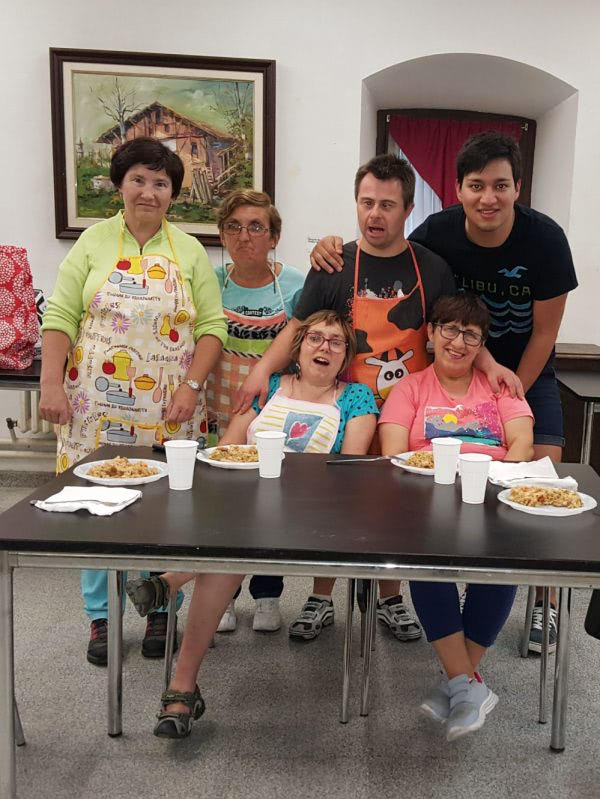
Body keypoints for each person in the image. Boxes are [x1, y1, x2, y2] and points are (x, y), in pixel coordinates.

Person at [309, 132, 578, 652]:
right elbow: (384, 245)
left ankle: (543, 602)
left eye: (501, 185)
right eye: (476, 185)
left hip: (525, 368)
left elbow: (545, 332)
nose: (488, 197)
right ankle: (411, 583)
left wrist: (510, 389)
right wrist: (328, 245)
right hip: (451, 365)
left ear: (518, 188)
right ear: (458, 189)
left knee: (542, 472)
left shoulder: (545, 239)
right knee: (405, 483)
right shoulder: (439, 232)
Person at [236, 154, 495, 642]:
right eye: (367, 202)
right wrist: (259, 372)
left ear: (407, 209)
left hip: (408, 409)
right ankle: (320, 597)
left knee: (397, 507)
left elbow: (456, 328)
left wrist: (492, 365)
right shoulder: (335, 264)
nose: (375, 214)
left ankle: (390, 597)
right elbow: (297, 326)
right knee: (341, 504)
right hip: (348, 406)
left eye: (388, 205)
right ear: (356, 203)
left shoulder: (432, 268)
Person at [125, 310, 378, 737]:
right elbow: (226, 451)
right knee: (229, 552)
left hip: (317, 509)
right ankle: (180, 688)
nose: (325, 348)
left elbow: (348, 469)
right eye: (315, 338)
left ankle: (171, 585)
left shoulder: (356, 399)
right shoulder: (270, 389)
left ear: (346, 356)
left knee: (227, 551)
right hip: (246, 506)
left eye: (337, 343)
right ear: (298, 349)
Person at [39, 137, 227, 666]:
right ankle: (101, 617)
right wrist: (51, 384)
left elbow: (212, 327)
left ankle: (161, 604)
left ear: (172, 194)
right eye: (139, 180)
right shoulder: (93, 243)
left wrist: (191, 387)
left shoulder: (188, 250)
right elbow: (60, 316)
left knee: (167, 508)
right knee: (94, 509)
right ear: (120, 185)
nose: (149, 192)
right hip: (93, 410)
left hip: (168, 409)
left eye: (161, 183)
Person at [379, 293, 534, 740]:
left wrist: (491, 483)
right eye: (449, 329)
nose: (459, 342)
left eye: (471, 335)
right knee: (428, 563)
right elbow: (393, 450)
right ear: (430, 334)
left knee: (501, 566)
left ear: (481, 343)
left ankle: (459, 683)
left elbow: (521, 443)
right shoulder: (409, 387)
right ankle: (466, 686)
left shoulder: (500, 387)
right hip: (425, 500)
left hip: (491, 497)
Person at [208, 189, 305, 634]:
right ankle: (221, 596)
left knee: (270, 506)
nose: (244, 237)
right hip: (218, 406)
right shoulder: (208, 281)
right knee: (221, 505)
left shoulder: (295, 285)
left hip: (273, 412)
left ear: (274, 235)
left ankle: (268, 594)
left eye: (255, 227)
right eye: (233, 227)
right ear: (222, 234)